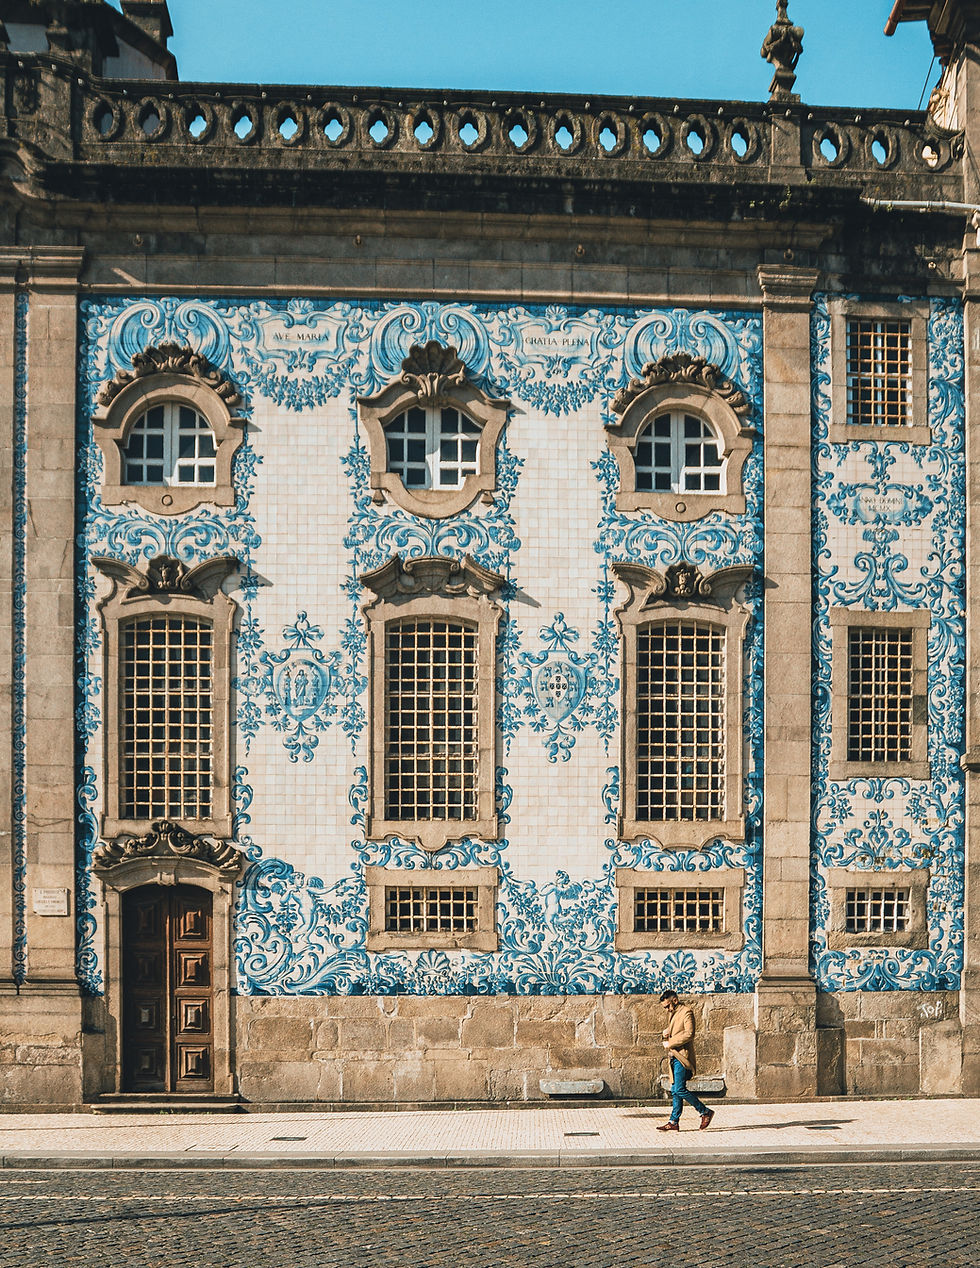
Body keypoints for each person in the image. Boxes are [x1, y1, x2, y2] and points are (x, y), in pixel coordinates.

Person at [656, 989, 714, 1131]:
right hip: (674, 1056)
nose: (667, 1009)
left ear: (675, 1000)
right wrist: (666, 1033)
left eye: (668, 1006)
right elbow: (676, 1031)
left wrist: (670, 1043)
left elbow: (689, 1034)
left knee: (679, 1089)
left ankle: (705, 1112)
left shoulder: (687, 1012)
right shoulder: (673, 1013)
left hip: (682, 1056)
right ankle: (674, 1122)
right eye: (665, 1007)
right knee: (675, 1090)